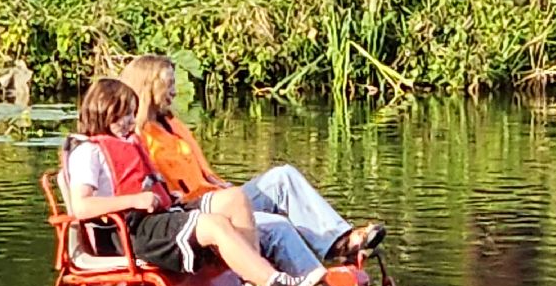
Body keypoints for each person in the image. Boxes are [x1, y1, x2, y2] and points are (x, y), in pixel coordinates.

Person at [65, 77, 326, 286]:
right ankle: (275, 282)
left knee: (234, 199)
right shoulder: (88, 152)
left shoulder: (126, 143)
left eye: (133, 114)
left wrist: (168, 195)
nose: (132, 122)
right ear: (104, 111)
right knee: (214, 225)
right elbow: (82, 207)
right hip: (128, 232)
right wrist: (136, 200)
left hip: (155, 219)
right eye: (125, 115)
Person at [119, 55, 386, 274]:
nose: (174, 92)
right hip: (192, 212)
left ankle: (339, 242)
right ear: (148, 87)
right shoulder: (136, 138)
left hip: (217, 197)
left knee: (284, 177)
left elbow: (203, 174)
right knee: (275, 224)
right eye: (168, 85)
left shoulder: (170, 124)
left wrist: (223, 188)